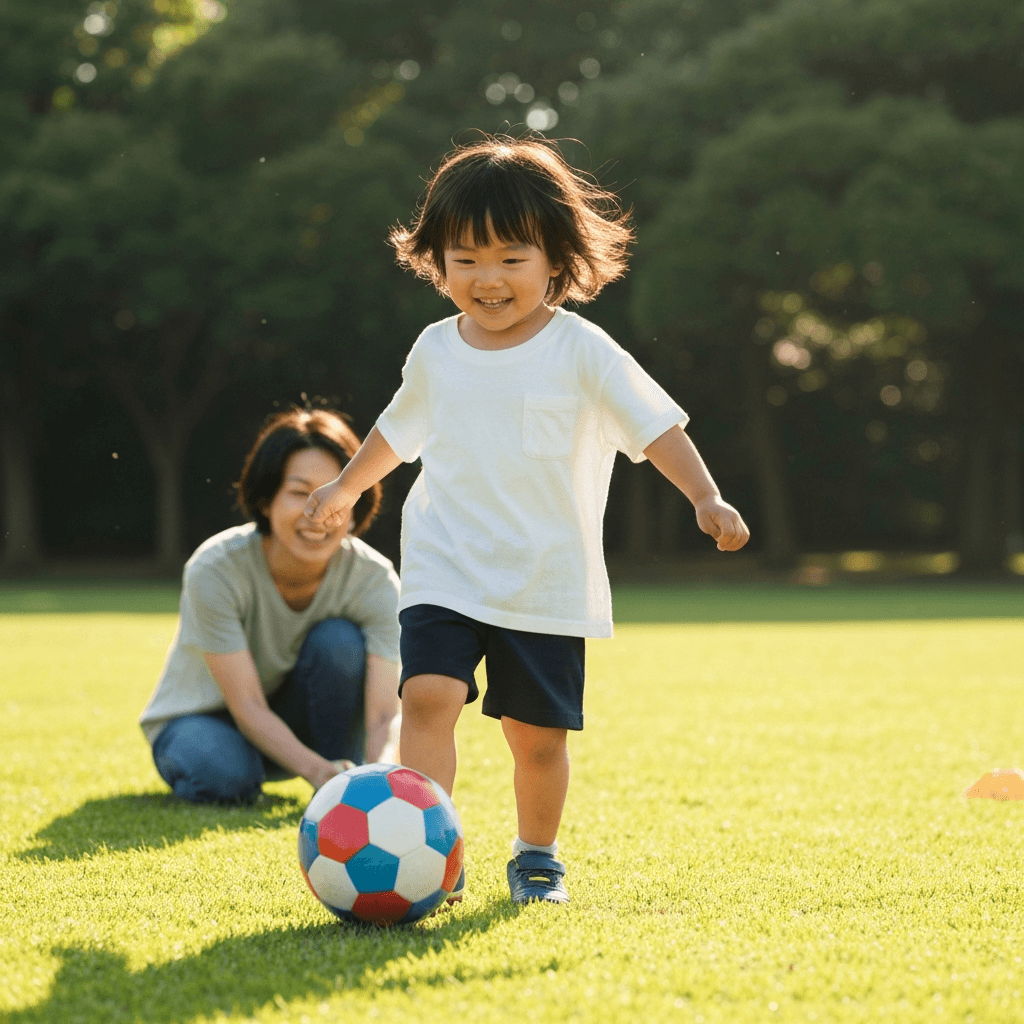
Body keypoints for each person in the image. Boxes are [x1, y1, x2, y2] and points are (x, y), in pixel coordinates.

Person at [303, 136, 750, 905]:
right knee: (429, 697)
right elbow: (395, 432)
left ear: (557, 260)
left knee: (537, 740)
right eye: (465, 258)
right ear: (436, 263)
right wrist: (345, 485)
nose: (488, 278)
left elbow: (657, 429)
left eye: (512, 257)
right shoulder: (435, 351)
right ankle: (431, 851)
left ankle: (537, 855)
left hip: (546, 576)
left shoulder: (582, 351)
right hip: (446, 561)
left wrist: (705, 496)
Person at [140, 408, 402, 805]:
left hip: (292, 718)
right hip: (204, 718)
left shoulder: (374, 579)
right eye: (300, 492)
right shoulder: (215, 568)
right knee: (228, 776)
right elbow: (246, 705)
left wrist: (378, 781)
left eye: (335, 492)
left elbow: (385, 713)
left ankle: (339, 780)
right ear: (265, 500)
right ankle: (280, 773)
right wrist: (319, 774)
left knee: (339, 641)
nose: (320, 511)